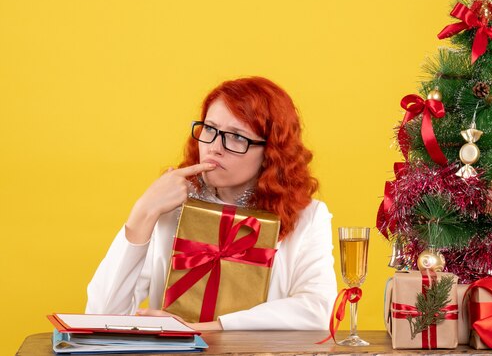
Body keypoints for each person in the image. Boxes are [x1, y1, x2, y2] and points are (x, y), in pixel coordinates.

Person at [86, 76, 337, 331]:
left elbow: (318, 311)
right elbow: (100, 316)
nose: (215, 147)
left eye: (237, 137)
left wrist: (205, 329)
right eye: (210, 129)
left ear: (271, 152)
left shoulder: (308, 217)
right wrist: (142, 213)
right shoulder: (170, 208)